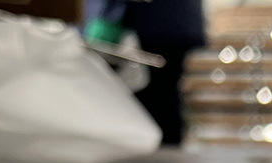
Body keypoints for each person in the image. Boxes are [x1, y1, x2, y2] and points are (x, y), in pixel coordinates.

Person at [84, 0, 205, 144]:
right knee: (166, 92)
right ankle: (167, 142)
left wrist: (108, 17)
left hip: (154, 25)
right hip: (175, 24)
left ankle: (160, 143)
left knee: (155, 94)